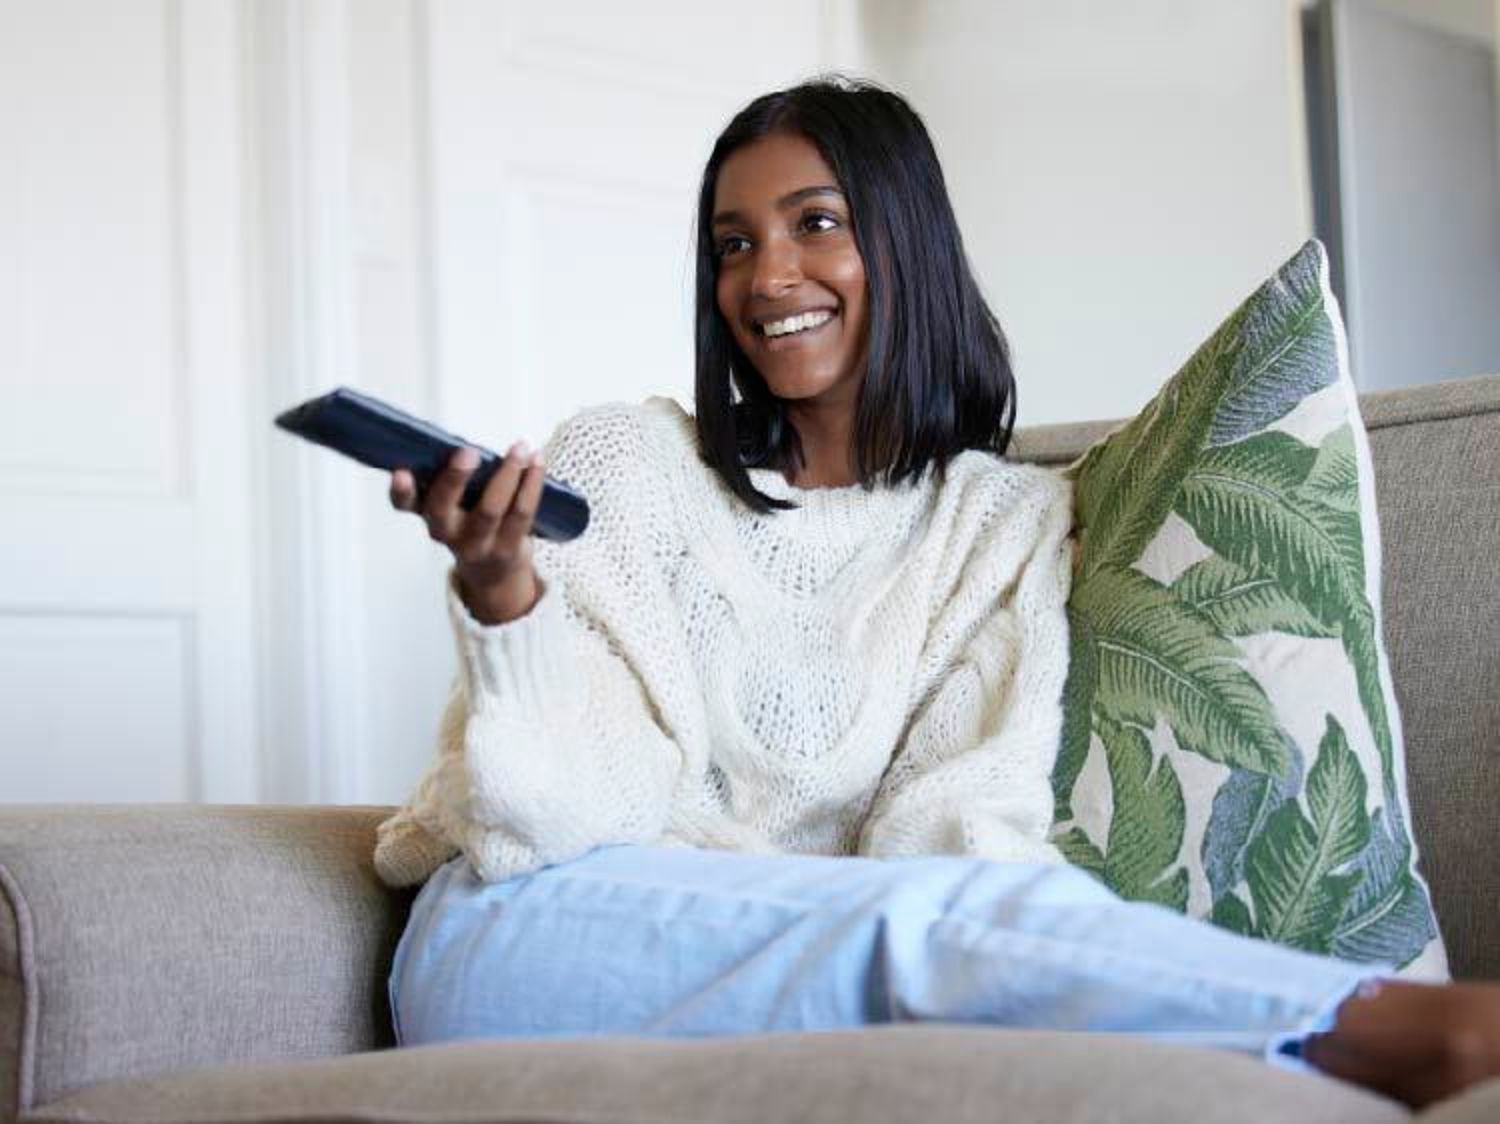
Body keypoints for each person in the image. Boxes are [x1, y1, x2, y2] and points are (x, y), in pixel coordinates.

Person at [375, 75, 1500, 1110]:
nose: (766, 277)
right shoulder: (626, 464)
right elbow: (564, 821)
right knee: (930, 931)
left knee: (943, 923)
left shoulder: (1001, 525)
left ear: (906, 241)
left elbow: (951, 828)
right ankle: (1389, 1026)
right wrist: (505, 594)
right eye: (733, 243)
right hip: (532, 933)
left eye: (816, 223)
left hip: (807, 978)